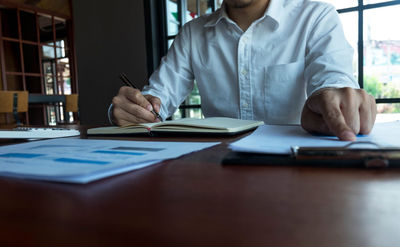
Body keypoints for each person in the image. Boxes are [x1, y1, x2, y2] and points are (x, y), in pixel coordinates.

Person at [110, 0, 376, 141]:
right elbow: (155, 100)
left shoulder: (316, 17)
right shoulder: (193, 33)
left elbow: (333, 80)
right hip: (214, 169)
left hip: (299, 168)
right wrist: (128, 111)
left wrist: (334, 96)